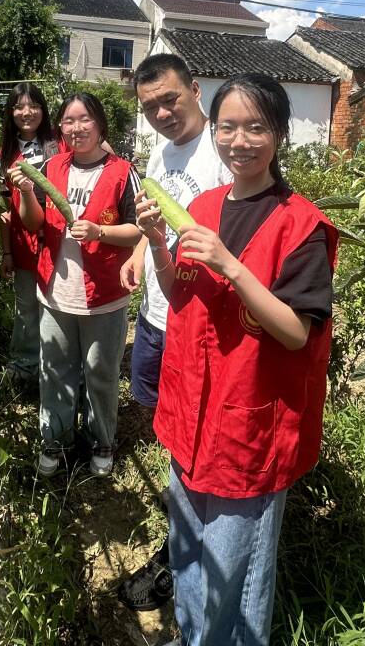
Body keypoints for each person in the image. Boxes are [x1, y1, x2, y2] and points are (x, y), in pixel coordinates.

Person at [136, 73, 338, 646]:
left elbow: (297, 332)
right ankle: (191, 634)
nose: (239, 140)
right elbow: (181, 297)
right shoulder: (201, 204)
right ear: (215, 129)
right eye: (228, 126)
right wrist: (155, 244)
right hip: (191, 414)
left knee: (236, 574)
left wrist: (231, 264)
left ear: (279, 134)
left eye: (256, 127)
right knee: (187, 551)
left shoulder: (302, 225)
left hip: (249, 426)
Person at [118, 53, 229, 612]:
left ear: (196, 88)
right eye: (150, 106)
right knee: (162, 418)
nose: (162, 113)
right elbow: (157, 214)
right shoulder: (163, 152)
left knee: (195, 434)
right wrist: (140, 249)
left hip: (198, 322)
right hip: (158, 314)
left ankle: (180, 552)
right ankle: (181, 502)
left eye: (170, 100)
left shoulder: (224, 154)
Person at [9, 91, 142, 477]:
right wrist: (26, 192)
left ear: (100, 124)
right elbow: (33, 223)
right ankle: (55, 440)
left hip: (103, 295)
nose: (76, 128)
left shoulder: (122, 171)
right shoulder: (50, 167)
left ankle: (102, 440)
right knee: (55, 371)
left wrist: (100, 229)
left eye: (85, 120)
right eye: (69, 121)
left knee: (100, 374)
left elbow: (137, 231)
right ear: (61, 127)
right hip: (55, 291)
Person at [0, 83, 59, 384]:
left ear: (43, 111)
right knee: (26, 308)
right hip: (23, 243)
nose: (26, 112)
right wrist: (7, 251)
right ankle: (24, 368)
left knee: (56, 305)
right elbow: (5, 210)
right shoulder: (5, 154)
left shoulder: (59, 145)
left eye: (33, 105)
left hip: (58, 241)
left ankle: (55, 366)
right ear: (11, 113)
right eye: (19, 106)